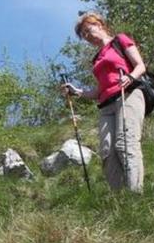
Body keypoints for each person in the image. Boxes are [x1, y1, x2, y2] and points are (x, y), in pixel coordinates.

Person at [60, 12, 148, 193]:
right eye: (83, 35)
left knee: (126, 143)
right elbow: (98, 90)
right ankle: (119, 198)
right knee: (107, 150)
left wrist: (130, 77)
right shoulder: (97, 58)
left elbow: (140, 65)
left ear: (99, 25)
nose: (87, 36)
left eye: (88, 30)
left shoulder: (119, 40)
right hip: (106, 104)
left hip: (128, 95)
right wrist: (76, 92)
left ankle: (135, 194)